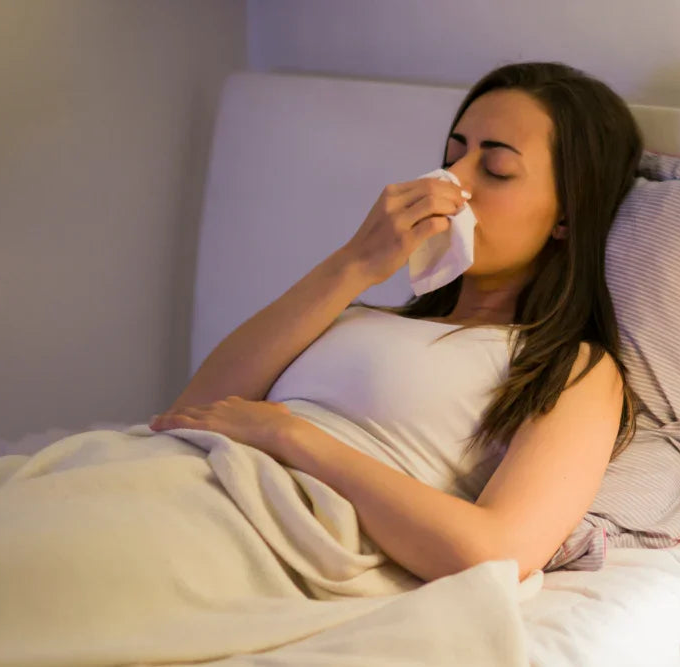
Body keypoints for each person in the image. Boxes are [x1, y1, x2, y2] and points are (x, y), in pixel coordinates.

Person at [149, 61, 643, 583]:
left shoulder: (572, 368)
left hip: (258, 535)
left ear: (567, 214)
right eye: (452, 157)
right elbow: (189, 414)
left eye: (495, 170)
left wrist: (289, 436)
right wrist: (355, 263)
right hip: (183, 482)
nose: (454, 182)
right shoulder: (357, 315)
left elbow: (499, 551)